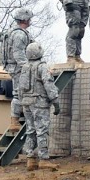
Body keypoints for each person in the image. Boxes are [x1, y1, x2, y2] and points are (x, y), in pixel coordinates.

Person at [19, 42, 60, 171]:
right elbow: (48, 84)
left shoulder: (24, 68)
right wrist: (55, 100)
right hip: (39, 103)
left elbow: (20, 87)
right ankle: (43, 159)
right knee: (42, 130)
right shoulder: (42, 67)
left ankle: (30, 159)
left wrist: (22, 102)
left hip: (26, 103)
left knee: (30, 130)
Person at [2, 8, 34, 132]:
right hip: (18, 68)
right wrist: (28, 67)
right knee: (18, 93)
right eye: (29, 19)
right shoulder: (20, 34)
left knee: (21, 92)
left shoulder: (13, 32)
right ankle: (14, 121)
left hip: (14, 66)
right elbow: (18, 54)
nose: (30, 21)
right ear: (25, 19)